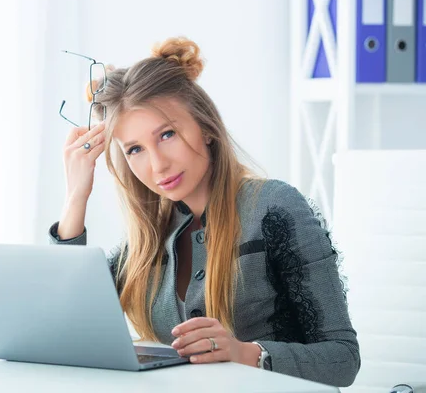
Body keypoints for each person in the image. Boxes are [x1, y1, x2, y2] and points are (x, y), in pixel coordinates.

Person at [48, 37, 360, 387]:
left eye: (167, 134)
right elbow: (66, 326)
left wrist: (245, 353)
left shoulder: (274, 208)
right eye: (135, 149)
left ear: (206, 128)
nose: (157, 165)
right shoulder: (148, 238)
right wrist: (76, 197)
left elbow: (342, 358)